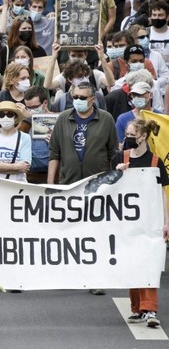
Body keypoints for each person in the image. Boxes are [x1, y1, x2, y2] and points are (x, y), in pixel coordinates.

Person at [113, 118, 169, 328]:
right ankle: (137, 308)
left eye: (131, 135)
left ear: (143, 136)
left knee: (149, 264)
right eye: (126, 134)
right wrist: (117, 173)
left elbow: (163, 193)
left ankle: (150, 309)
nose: (127, 139)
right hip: (127, 223)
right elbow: (109, 189)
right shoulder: (121, 157)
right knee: (133, 264)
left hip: (150, 221)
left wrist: (167, 221)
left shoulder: (155, 162)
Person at [48, 82, 118, 185]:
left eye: (82, 98)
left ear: (93, 99)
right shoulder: (63, 118)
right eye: (75, 97)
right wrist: (50, 182)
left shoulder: (106, 119)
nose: (77, 100)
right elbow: (54, 153)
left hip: (98, 183)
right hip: (68, 182)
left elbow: (113, 152)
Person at [0, 101, 32, 182]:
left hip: (19, 186)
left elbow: (25, 166)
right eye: (1, 115)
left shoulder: (25, 137)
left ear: (16, 118)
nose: (5, 118)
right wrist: (17, 167)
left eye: (10, 114)